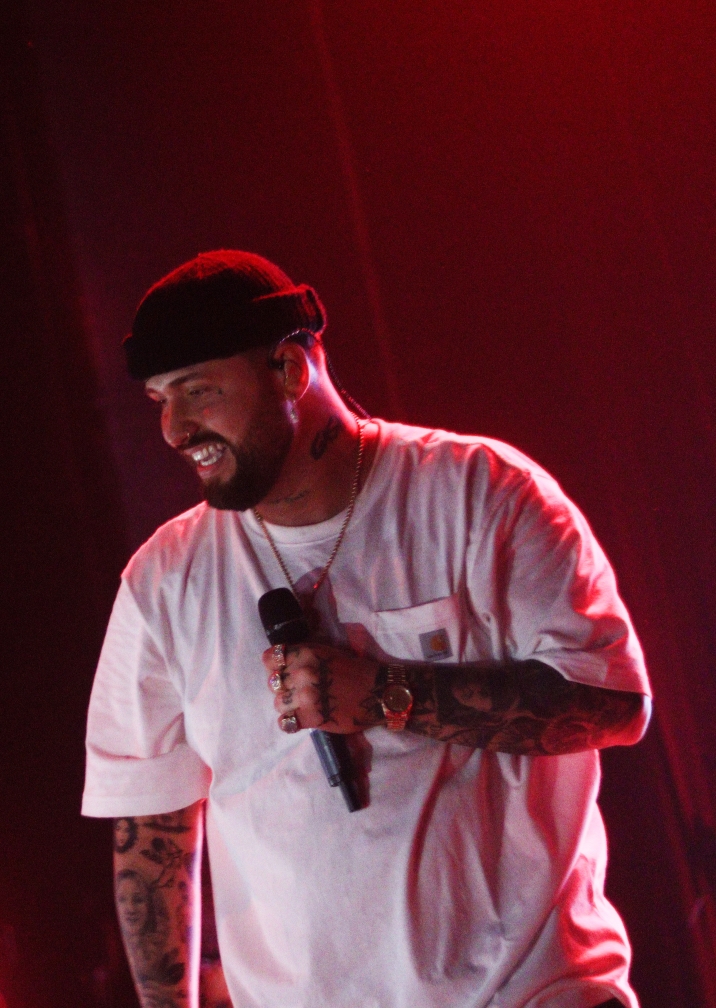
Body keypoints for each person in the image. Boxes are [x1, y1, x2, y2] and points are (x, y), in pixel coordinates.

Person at [82, 250, 652, 1008]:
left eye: (199, 391)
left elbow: (613, 703)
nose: (175, 428)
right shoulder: (163, 582)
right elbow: (152, 830)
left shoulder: (482, 494)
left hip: (530, 992)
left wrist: (387, 694)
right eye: (160, 399)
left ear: (290, 370)